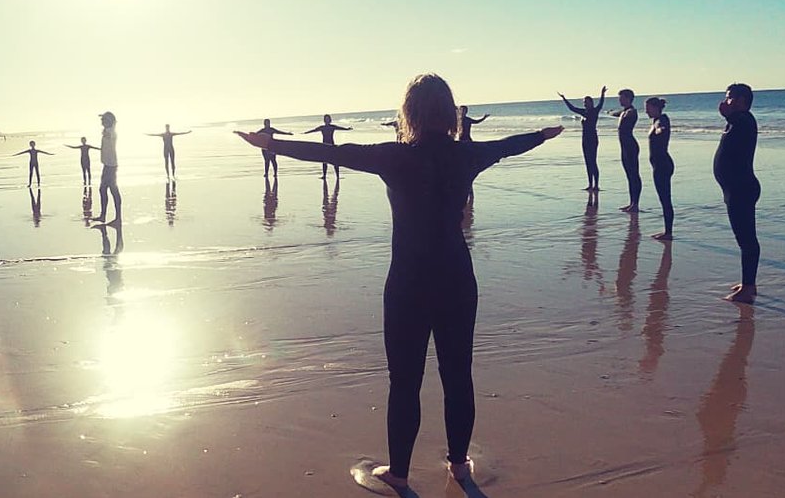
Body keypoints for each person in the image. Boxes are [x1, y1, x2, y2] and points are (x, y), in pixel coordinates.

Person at [237, 73, 563, 491]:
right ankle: (459, 466)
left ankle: (400, 474)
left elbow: (330, 153)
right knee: (458, 374)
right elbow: (509, 146)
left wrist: (270, 144)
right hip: (457, 278)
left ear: (407, 113)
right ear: (449, 113)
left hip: (409, 281)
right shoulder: (467, 155)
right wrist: (544, 133)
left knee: (404, 380)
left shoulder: (394, 157)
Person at [714, 83, 760, 303]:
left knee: (747, 240)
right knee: (743, 238)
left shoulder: (745, 120)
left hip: (742, 188)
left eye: (730, 98)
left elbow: (738, 124)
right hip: (734, 188)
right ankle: (748, 282)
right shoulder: (737, 121)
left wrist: (727, 115)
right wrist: (727, 116)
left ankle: (749, 287)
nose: (726, 101)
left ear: (742, 100)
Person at [559, 87, 607, 190]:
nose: (585, 103)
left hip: (593, 139)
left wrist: (602, 93)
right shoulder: (583, 112)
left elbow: (601, 103)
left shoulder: (595, 111)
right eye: (584, 102)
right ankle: (590, 184)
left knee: (593, 161)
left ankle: (596, 185)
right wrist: (564, 98)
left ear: (591, 102)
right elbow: (572, 108)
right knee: (587, 162)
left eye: (586, 102)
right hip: (584, 139)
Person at [646, 97, 675, 241]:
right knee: (663, 198)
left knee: (665, 199)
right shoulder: (656, 120)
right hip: (659, 164)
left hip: (663, 165)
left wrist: (660, 130)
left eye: (648, 108)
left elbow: (661, 128)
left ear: (655, 107)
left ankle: (668, 232)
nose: (646, 111)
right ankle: (667, 230)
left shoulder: (662, 120)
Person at [610, 89, 643, 212]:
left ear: (628, 98)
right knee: (629, 175)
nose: (619, 100)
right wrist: (611, 113)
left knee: (634, 175)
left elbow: (629, 114)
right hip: (624, 147)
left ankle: (636, 204)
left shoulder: (631, 112)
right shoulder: (624, 111)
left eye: (621, 98)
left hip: (631, 146)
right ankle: (631, 203)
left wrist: (621, 114)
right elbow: (618, 113)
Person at [92, 111, 122, 225]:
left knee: (112, 190)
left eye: (103, 119)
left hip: (111, 165)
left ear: (109, 121)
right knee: (105, 189)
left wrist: (111, 123)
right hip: (108, 164)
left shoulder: (110, 132)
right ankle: (104, 215)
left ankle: (116, 217)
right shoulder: (108, 131)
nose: (101, 121)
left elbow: (110, 130)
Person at [303, 114, 352, 179]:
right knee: (324, 161)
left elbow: (340, 128)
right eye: (326, 119)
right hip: (324, 146)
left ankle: (337, 176)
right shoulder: (322, 127)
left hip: (332, 145)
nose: (327, 120)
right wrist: (306, 132)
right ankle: (324, 176)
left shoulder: (332, 127)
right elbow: (314, 130)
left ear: (330, 120)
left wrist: (347, 129)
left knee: (335, 161)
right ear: (324, 120)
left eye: (328, 119)